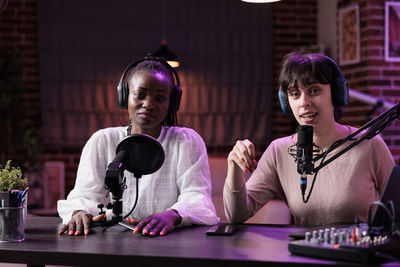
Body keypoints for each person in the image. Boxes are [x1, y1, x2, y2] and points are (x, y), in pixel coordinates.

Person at [223, 52, 395, 226]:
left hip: (361, 251)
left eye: (314, 90)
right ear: (286, 101)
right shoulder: (279, 151)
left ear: (336, 94)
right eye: (294, 93)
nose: (304, 102)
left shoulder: (371, 144)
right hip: (302, 253)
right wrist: (234, 167)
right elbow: (236, 215)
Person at [58, 56, 219, 236]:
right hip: (115, 242)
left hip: (167, 241)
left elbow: (197, 197)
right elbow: (84, 194)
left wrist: (173, 215)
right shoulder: (102, 140)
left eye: (159, 98)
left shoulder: (186, 141)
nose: (149, 104)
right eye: (140, 95)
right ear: (125, 96)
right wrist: (78, 212)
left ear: (171, 103)